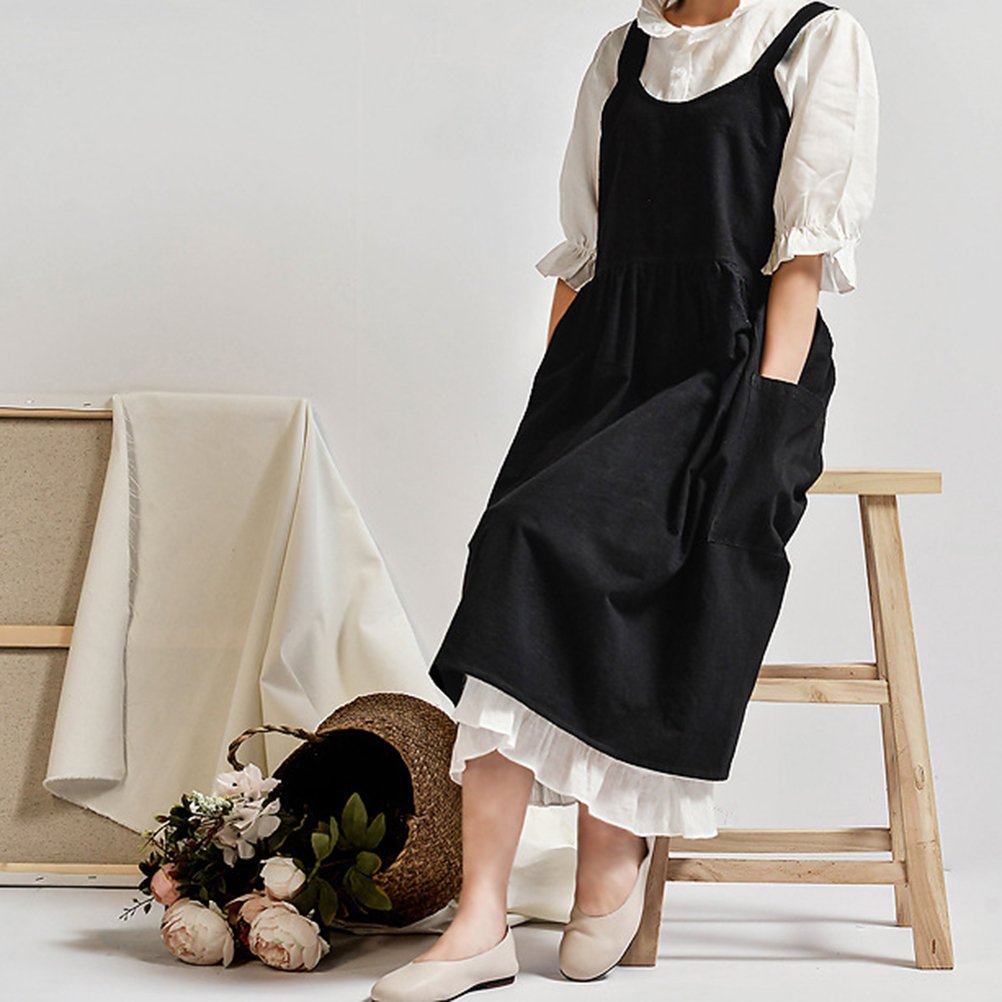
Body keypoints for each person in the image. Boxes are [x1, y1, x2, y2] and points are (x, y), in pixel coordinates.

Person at [371, 1, 878, 998]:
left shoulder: (815, 38)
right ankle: (480, 917)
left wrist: (763, 424)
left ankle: (615, 842)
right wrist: (551, 408)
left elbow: (801, 258)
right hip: (608, 357)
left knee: (662, 543)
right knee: (521, 535)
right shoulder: (622, 53)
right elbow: (587, 250)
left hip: (735, 363)